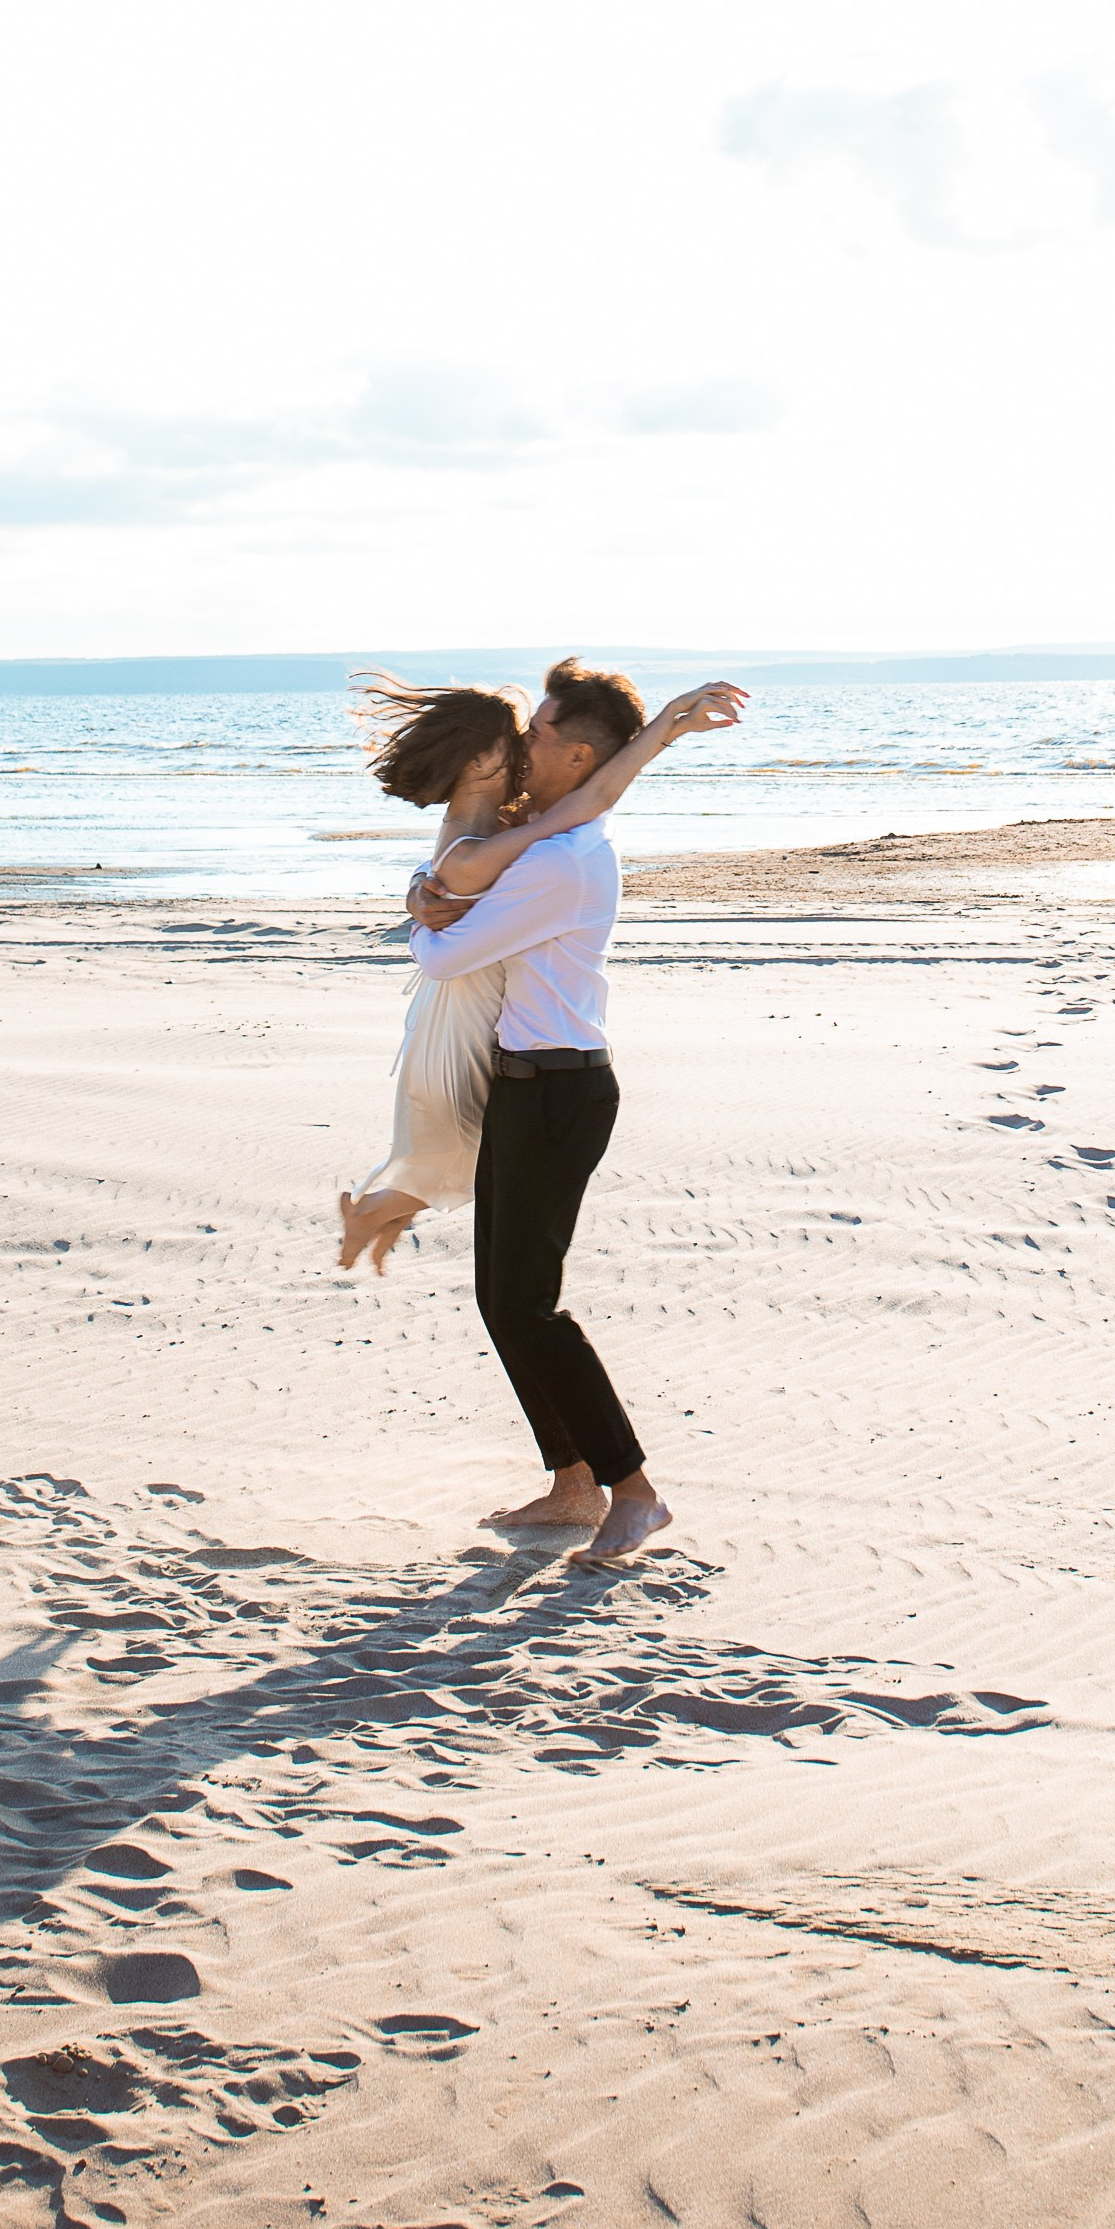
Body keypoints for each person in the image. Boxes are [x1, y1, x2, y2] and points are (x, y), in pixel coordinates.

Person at [406, 656, 739, 1564]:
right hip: (528, 1085)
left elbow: (444, 958)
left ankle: (635, 1493)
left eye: (541, 730)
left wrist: (424, 914)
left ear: (579, 754)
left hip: (560, 1090)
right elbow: (466, 885)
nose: (525, 740)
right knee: (502, 1299)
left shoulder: (562, 862)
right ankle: (573, 1484)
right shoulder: (551, 839)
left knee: (528, 1307)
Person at [336, 665, 741, 1281]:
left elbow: (591, 793)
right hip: (459, 1003)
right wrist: (667, 727)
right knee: (457, 1139)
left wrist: (669, 727)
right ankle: (377, 1212)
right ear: (479, 763)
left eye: (532, 735)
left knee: (461, 1143)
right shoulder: (502, 842)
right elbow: (591, 801)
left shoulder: (499, 825)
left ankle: (382, 1213)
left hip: (469, 1004)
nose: (526, 746)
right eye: (516, 739)